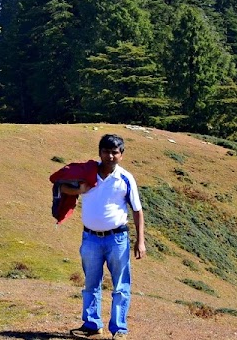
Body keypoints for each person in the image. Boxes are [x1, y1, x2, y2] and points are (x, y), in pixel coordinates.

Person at [59, 133, 145, 338]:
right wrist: (79, 189)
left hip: (117, 239)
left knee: (121, 285)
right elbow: (61, 186)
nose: (110, 156)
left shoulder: (126, 178)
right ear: (100, 153)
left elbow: (137, 210)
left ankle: (119, 329)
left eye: (115, 152)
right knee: (91, 283)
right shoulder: (86, 174)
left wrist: (140, 241)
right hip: (90, 238)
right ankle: (91, 325)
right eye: (106, 152)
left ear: (121, 155)